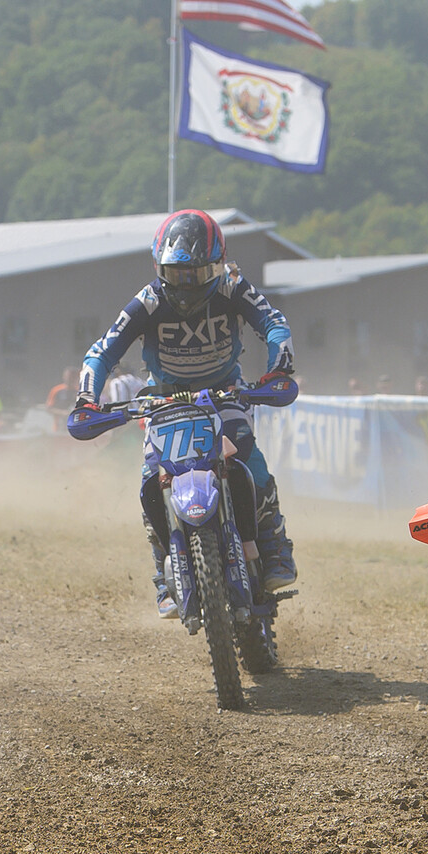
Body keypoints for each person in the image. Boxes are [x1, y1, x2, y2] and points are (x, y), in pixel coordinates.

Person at [70, 209, 300, 615]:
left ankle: (274, 545)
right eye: (176, 274)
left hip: (224, 394)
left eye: (196, 274)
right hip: (164, 401)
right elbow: (102, 351)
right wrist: (87, 398)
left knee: (251, 462)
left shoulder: (233, 287)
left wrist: (279, 368)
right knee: (150, 480)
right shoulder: (147, 301)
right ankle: (164, 570)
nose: (186, 285)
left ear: (218, 265)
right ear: (159, 268)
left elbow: (273, 323)